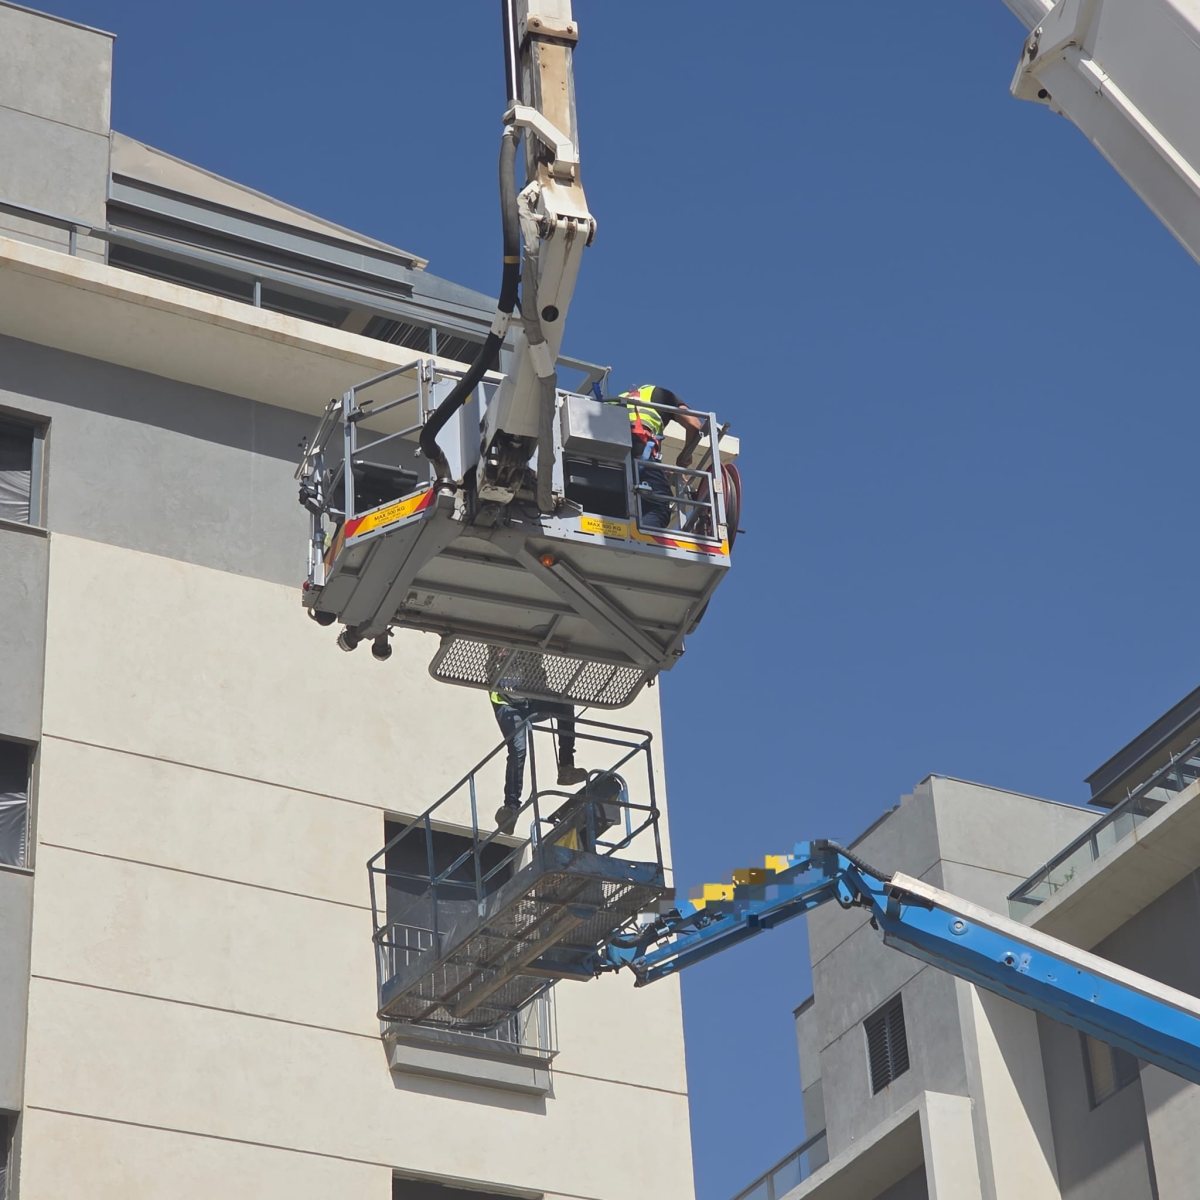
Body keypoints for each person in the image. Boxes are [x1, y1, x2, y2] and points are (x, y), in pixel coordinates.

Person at [491, 691, 588, 833]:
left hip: (531, 700)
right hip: (507, 703)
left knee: (565, 705)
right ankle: (510, 809)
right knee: (518, 748)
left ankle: (566, 768)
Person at [615, 385, 706, 529]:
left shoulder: (615, 401)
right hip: (637, 446)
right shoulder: (659, 395)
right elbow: (694, 425)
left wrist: (662, 473)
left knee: (614, 504)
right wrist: (683, 457)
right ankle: (645, 541)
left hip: (606, 458)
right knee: (657, 506)